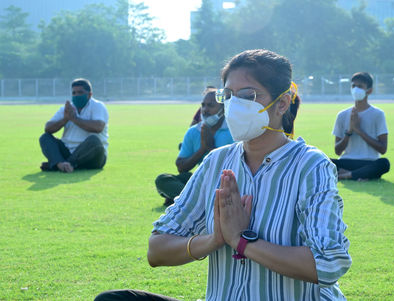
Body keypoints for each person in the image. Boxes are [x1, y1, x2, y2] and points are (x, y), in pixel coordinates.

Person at [96, 49, 351, 301]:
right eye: (227, 95)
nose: (234, 104)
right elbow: (157, 249)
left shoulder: (310, 165)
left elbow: (328, 264)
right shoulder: (217, 162)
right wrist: (214, 240)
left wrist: (242, 242)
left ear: (282, 103)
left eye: (248, 95)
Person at [155, 88, 233, 207]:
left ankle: (189, 201)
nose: (205, 110)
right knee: (163, 180)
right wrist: (202, 149)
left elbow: (238, 164)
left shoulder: (233, 131)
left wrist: (211, 149)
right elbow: (181, 167)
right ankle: (200, 201)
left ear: (223, 109)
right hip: (201, 180)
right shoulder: (194, 131)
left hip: (225, 181)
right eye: (203, 105)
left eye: (210, 106)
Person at [39, 78, 108, 173]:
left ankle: (60, 164)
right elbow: (48, 128)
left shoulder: (98, 106)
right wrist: (65, 119)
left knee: (94, 140)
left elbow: (98, 127)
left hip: (93, 156)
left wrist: (74, 119)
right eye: (74, 93)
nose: (77, 95)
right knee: (45, 138)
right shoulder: (67, 109)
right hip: (68, 152)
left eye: (80, 92)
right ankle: (63, 165)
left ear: (89, 95)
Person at [330, 72, 390, 181]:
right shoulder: (342, 115)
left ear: (369, 90)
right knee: (324, 161)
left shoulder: (378, 114)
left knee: (384, 163)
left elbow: (383, 149)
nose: (356, 89)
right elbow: (337, 151)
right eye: (353, 86)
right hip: (347, 161)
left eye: (360, 86)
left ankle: (347, 175)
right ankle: (358, 175)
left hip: (369, 161)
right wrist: (349, 132)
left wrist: (359, 130)